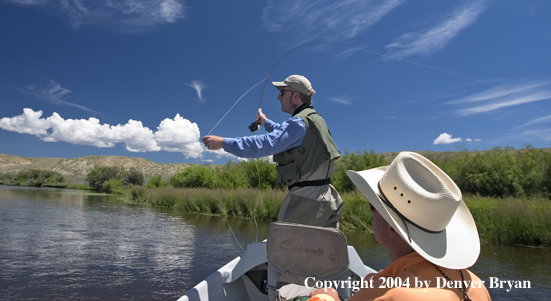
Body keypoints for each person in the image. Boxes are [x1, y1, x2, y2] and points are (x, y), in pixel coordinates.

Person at [310, 151, 492, 300]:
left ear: (392, 228)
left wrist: (325, 297)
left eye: (373, 207)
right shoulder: (475, 284)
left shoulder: (391, 294)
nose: (370, 214)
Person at [202, 74, 343, 228]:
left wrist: (223, 143)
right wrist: (266, 122)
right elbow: (285, 134)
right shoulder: (313, 119)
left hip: (307, 200)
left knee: (288, 248)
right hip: (327, 196)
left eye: (282, 93)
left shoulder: (299, 123)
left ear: (295, 95)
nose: (278, 97)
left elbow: (265, 144)